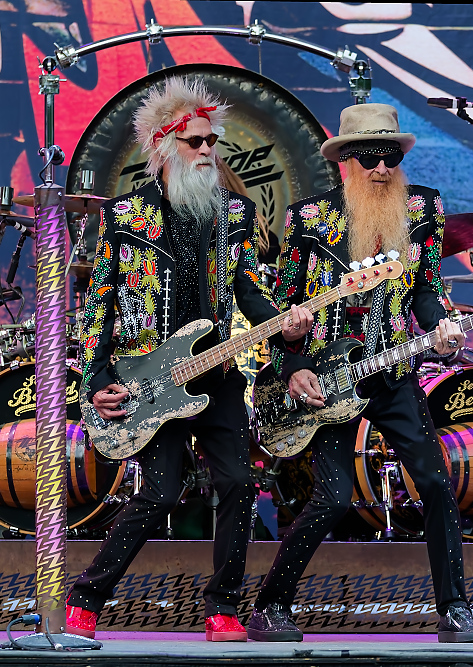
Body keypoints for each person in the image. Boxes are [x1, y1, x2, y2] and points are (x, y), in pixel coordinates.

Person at [65, 76, 310, 642]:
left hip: (217, 371)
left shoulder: (237, 215)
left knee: (240, 485)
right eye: (195, 141)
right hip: (149, 376)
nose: (207, 151)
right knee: (159, 492)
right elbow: (100, 303)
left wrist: (286, 329)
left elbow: (249, 290)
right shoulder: (126, 217)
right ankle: (86, 598)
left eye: (211, 141)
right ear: (163, 145)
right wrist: (97, 376)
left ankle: (223, 608)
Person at [245, 103, 473, 643]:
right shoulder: (309, 219)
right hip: (328, 378)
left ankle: (454, 609)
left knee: (435, 483)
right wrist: (293, 368)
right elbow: (286, 307)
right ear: (346, 163)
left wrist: (444, 326)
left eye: (390, 158)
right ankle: (270, 606)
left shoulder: (423, 210)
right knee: (333, 499)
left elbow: (426, 289)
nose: (381, 168)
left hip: (393, 365)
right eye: (368, 158)